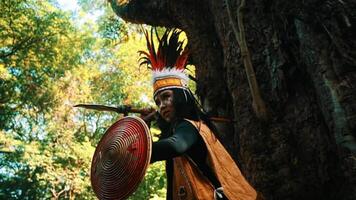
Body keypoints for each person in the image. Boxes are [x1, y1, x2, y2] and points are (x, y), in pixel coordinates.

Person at [140, 28, 261, 200]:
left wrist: (135, 148)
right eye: (158, 102)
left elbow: (174, 146)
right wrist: (142, 127)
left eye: (166, 97)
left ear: (181, 96)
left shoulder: (190, 127)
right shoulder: (180, 131)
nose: (161, 105)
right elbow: (159, 152)